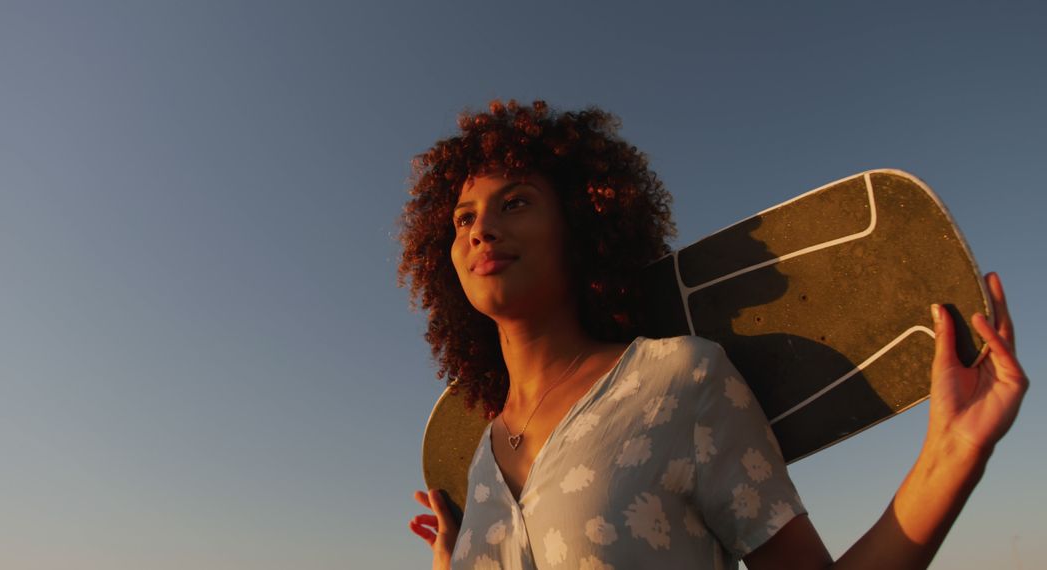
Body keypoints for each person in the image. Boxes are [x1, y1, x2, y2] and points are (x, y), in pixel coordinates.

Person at [399, 99, 1028, 569]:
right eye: (462, 218)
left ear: (579, 230)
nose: (480, 230)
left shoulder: (677, 380)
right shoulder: (478, 462)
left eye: (515, 204)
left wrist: (955, 451)